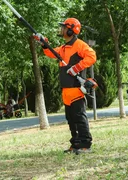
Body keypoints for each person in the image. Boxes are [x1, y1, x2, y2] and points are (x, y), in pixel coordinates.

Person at [34, 17, 96, 154]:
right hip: (66, 90)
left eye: (63, 27)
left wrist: (76, 67)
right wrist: (44, 43)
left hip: (76, 89)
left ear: (70, 30)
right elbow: (51, 52)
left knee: (80, 118)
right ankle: (75, 144)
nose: (61, 29)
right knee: (71, 120)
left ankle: (86, 144)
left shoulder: (79, 45)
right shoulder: (63, 48)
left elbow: (92, 56)